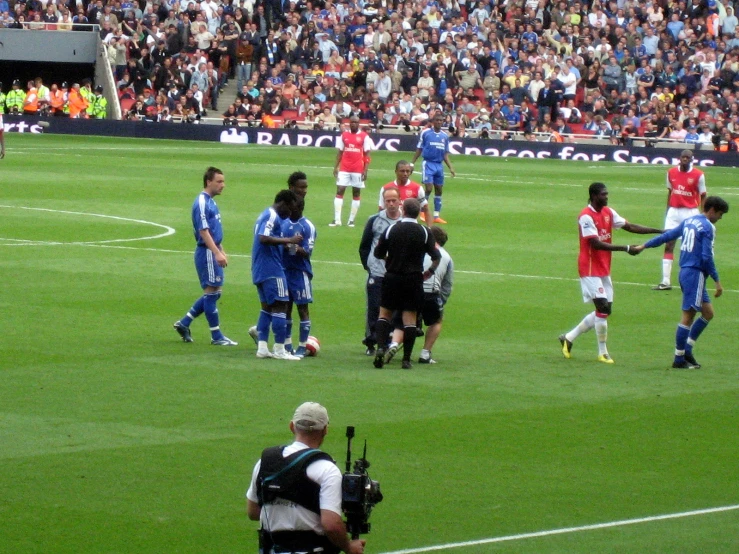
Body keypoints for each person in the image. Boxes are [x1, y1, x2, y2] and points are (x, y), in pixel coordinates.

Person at [558, 183, 662, 364]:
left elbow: (630, 226)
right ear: (593, 195)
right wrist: (626, 248)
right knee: (603, 308)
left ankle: (568, 338)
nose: (607, 197)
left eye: (607, 194)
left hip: (604, 267)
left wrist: (659, 232)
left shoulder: (608, 212)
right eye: (604, 195)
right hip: (589, 268)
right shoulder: (586, 217)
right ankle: (602, 352)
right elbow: (595, 244)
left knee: (605, 310)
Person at [246, 402, 366, 554]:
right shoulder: (326, 469)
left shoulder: (265, 462)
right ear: (325, 430)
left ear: (292, 426)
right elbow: (331, 524)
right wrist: (349, 547)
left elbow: (253, 511)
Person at [636, 196, 729, 369]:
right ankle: (679, 358)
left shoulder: (690, 220)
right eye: (720, 214)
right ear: (712, 210)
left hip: (685, 272)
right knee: (688, 316)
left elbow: (669, 235)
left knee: (708, 313)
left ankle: (687, 350)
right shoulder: (708, 227)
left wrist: (644, 246)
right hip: (695, 273)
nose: (720, 218)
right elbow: (707, 256)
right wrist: (717, 281)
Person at [372, 198, 441, 370]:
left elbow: (378, 252)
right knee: (409, 319)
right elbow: (436, 256)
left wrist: (390, 259)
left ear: (402, 209)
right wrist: (429, 272)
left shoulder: (391, 229)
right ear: (419, 213)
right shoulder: (424, 232)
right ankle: (406, 360)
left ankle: (380, 348)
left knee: (384, 315)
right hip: (413, 279)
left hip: (392, 277)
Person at [173, 167, 238, 346]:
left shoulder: (211, 202)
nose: (223, 185)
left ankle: (184, 323)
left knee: (215, 293)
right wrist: (216, 253)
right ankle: (216, 336)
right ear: (208, 181)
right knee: (211, 292)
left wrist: (221, 249)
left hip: (213, 250)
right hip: (207, 252)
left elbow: (214, 231)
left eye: (223, 181)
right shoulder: (202, 202)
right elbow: (203, 231)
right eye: (219, 181)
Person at [251, 189, 303, 361]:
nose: (290, 213)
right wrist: (289, 240)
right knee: (281, 305)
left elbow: (273, 242)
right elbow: (263, 238)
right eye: (290, 208)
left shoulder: (266, 216)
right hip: (272, 269)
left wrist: (291, 247)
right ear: (284, 204)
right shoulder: (271, 216)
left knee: (266, 308)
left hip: (260, 269)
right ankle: (280, 349)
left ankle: (263, 348)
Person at [653, 150, 707, 291]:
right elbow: (670, 192)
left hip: (690, 212)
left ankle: (689, 280)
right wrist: (667, 211)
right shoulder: (671, 172)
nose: (684, 159)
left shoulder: (698, 175)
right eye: (683, 157)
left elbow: (703, 195)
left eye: (687, 158)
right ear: (679, 158)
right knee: (669, 244)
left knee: (689, 247)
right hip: (674, 212)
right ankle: (665, 281)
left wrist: (704, 215)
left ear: (691, 159)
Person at [358, 186, 402, 355]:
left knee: (394, 308)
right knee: (374, 307)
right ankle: (371, 342)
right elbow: (364, 246)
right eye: (387, 201)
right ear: (383, 202)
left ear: (399, 201)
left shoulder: (405, 221)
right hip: (376, 272)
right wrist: (369, 266)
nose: (391, 204)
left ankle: (388, 341)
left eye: (393, 200)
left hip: (396, 274)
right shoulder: (374, 220)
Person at [282, 196, 317, 358]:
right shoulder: (283, 222)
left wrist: (289, 245)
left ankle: (302, 346)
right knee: (286, 308)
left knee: (302, 309)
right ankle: (287, 345)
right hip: (284, 270)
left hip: (300, 272)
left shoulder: (307, 226)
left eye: (293, 206)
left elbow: (306, 251)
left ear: (300, 207)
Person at [410, 113, 456, 224]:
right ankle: (422, 211)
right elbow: (419, 148)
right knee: (429, 188)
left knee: (439, 190)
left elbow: (445, 154)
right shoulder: (426, 133)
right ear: (433, 121)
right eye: (437, 120)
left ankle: (436, 216)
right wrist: (412, 163)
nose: (439, 122)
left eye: (441, 120)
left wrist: (451, 167)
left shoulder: (444, 136)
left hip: (439, 166)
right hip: (428, 164)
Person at [418, 226, 453, 364]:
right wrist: (441, 302)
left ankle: (392, 344)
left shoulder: (417, 250)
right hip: (432, 294)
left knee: (405, 320)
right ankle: (425, 353)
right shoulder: (447, 257)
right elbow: (447, 285)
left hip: (412, 290)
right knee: (437, 321)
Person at [330, 116, 373, 228]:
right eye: (352, 122)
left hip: (358, 169)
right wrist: (335, 167)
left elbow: (367, 154)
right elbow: (340, 152)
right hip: (344, 168)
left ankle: (351, 220)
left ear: (359, 124)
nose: (354, 124)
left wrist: (365, 170)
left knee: (356, 193)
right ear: (349, 123)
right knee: (339, 191)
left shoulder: (364, 137)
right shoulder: (344, 135)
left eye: (356, 122)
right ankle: (337, 220)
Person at [378, 160, 432, 225]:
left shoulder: (417, 188)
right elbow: (381, 209)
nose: (405, 174)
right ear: (396, 172)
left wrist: (429, 228)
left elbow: (426, 208)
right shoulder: (385, 188)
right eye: (402, 171)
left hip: (410, 226)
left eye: (407, 171)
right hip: (390, 224)